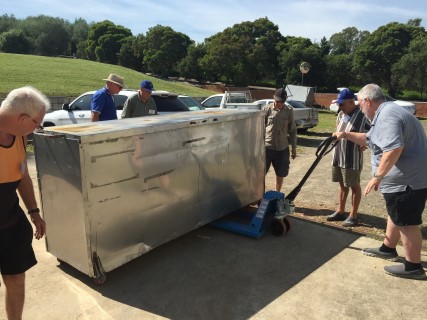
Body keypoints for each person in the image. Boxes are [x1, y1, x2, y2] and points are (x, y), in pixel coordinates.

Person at [333, 83, 427, 280]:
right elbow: (369, 138)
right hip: (405, 181)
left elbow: (393, 148)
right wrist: (345, 135)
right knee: (396, 214)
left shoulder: (387, 115)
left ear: (368, 101)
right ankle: (388, 248)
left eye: (360, 103)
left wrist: (377, 176)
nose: (359, 107)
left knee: (407, 223)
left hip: (406, 182)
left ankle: (413, 266)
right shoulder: (386, 113)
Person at [0, 86, 50, 319]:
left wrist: (34, 211)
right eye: (37, 124)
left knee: (16, 279)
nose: (36, 129)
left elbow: (22, 175)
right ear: (22, 119)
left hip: (9, 224)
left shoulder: (18, 137)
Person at [326, 88, 369, 227]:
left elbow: (372, 135)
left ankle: (353, 215)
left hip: (352, 159)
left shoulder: (363, 116)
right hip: (338, 155)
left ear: (351, 102)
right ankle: (340, 211)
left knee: (354, 186)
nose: (340, 107)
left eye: (342, 104)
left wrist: (364, 143)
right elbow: (338, 130)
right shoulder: (340, 114)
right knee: (342, 185)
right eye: (338, 104)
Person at [263, 88, 297, 192]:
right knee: (261, 173)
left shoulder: (289, 111)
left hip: (282, 149)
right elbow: (260, 128)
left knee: (281, 173)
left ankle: (277, 194)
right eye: (278, 101)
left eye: (282, 101)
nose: (280, 103)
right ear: (274, 98)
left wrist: (294, 148)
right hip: (267, 148)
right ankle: (260, 195)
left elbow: (292, 131)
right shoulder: (266, 109)